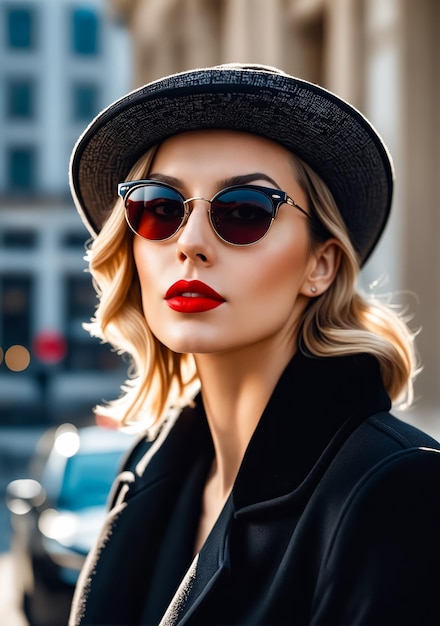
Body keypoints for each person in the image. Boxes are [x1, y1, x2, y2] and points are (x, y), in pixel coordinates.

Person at [68, 64, 440, 626]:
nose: (190, 244)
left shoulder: (398, 490)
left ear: (320, 264)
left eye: (244, 212)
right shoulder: (151, 465)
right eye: (161, 207)